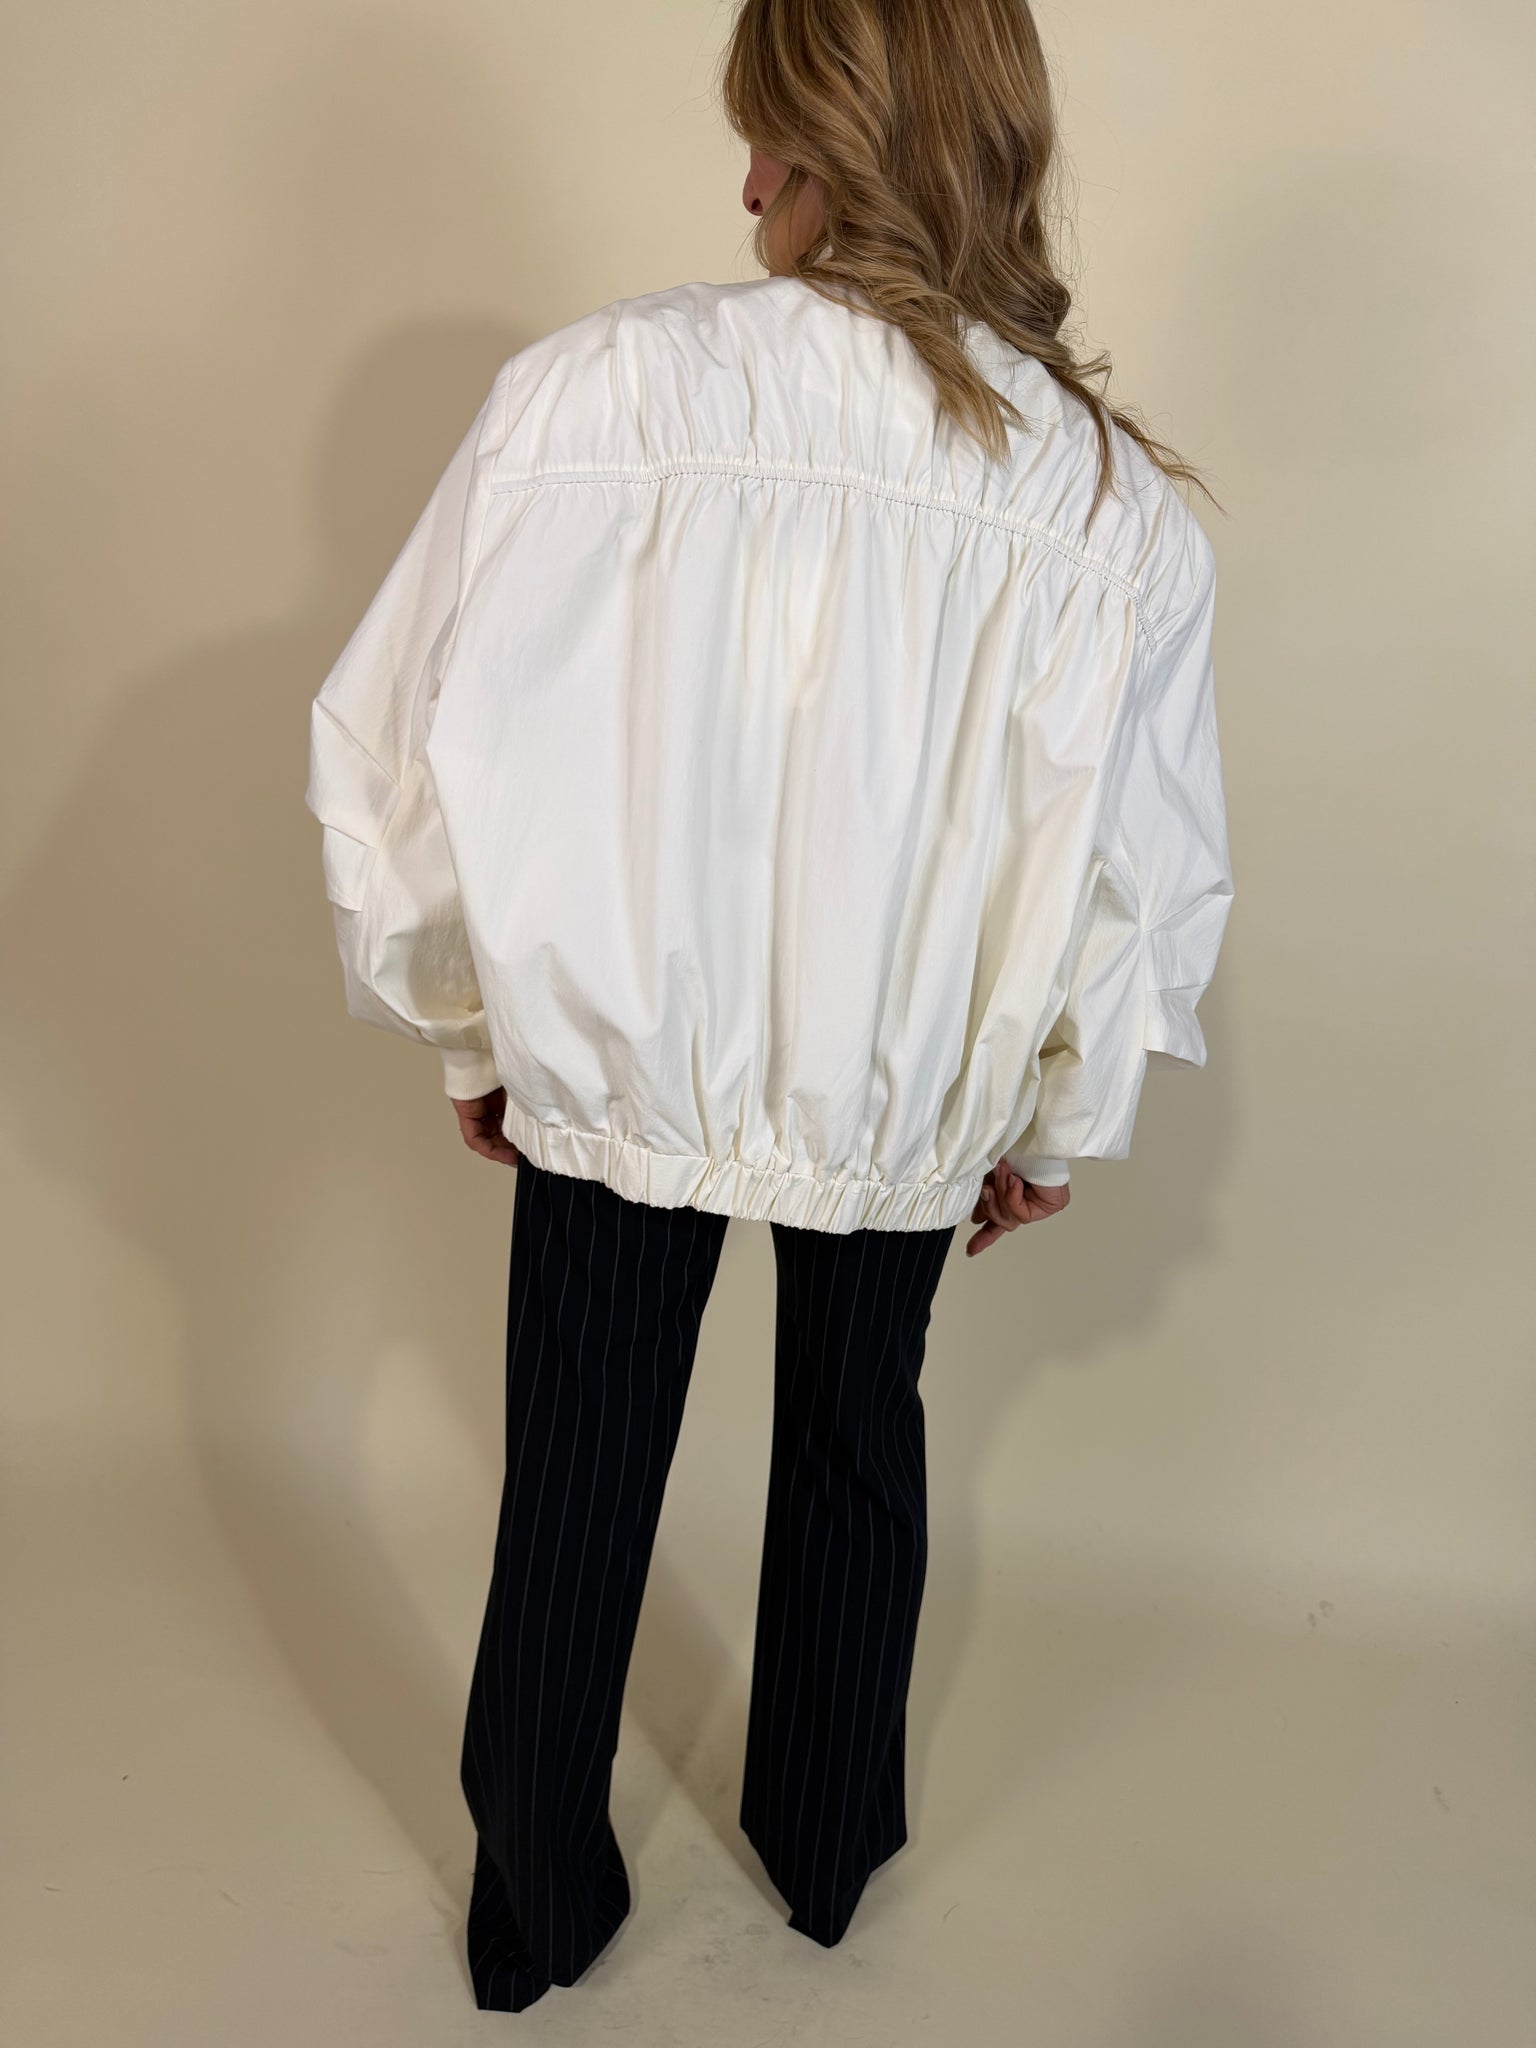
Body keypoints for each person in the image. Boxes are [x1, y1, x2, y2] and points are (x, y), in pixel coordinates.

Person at [303, 0, 1234, 2012]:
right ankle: (824, 1860)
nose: (746, 189)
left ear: (848, 150)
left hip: (623, 1055)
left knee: (578, 1464)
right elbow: (1135, 867)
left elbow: (403, 737)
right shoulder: (1100, 502)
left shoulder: (591, 394)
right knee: (856, 1445)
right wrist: (1044, 1116)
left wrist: (475, 1019)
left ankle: (536, 1909)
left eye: (775, 146)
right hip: (901, 1092)